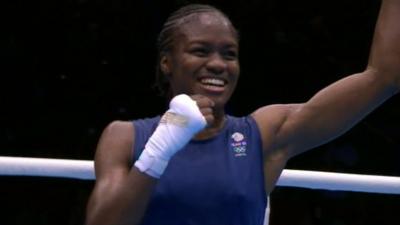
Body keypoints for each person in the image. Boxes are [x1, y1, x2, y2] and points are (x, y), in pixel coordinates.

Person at [85, 2, 400, 225]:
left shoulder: (262, 136)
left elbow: (385, 77)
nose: (218, 64)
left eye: (229, 54)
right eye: (200, 51)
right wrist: (162, 144)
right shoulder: (125, 137)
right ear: (167, 63)